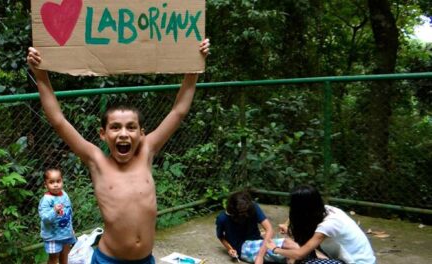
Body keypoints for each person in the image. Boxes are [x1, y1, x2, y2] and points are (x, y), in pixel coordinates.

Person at [27, 39, 210, 263]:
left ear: (142, 133)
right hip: (108, 260)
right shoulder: (97, 162)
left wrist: (193, 69)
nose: (123, 134)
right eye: (115, 127)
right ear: (103, 134)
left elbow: (178, 111)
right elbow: (59, 121)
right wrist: (41, 75)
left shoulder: (146, 152)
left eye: (131, 127)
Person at [266, 185, 376, 264]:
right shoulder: (326, 209)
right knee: (298, 250)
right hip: (343, 258)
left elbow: (300, 254)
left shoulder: (329, 225)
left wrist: (275, 249)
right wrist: (288, 228)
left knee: (304, 260)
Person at [216, 191, 294, 264]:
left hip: (258, 241)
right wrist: (230, 248)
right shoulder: (223, 218)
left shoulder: (252, 206)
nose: (245, 214)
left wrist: (260, 256)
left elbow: (269, 229)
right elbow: (220, 236)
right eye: (242, 213)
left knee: (290, 247)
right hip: (243, 247)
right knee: (289, 250)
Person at [38, 168, 76, 264]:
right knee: (54, 258)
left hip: (66, 234)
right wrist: (54, 211)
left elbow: (68, 213)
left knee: (65, 255)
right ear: (45, 184)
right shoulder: (46, 200)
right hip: (53, 236)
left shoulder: (65, 195)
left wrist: (71, 229)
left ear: (62, 181)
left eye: (58, 181)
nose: (55, 185)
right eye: (51, 182)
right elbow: (45, 219)